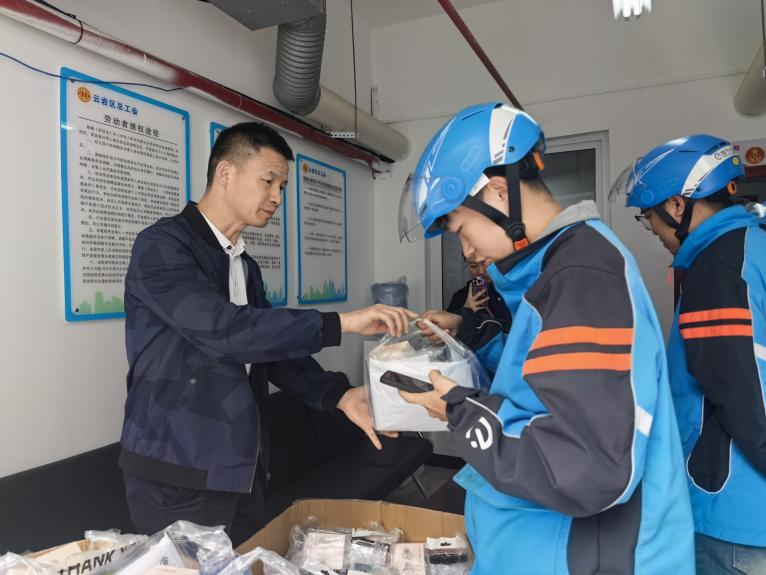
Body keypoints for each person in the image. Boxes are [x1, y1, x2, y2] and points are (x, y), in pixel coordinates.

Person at [397, 102, 694, 574]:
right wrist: (470, 331)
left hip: (579, 556)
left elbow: (585, 467)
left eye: (460, 228)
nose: (466, 248)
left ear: (498, 193)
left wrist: (458, 409)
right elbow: (542, 383)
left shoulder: (581, 275)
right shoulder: (556, 269)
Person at [119, 122, 415, 545]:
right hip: (178, 472)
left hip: (240, 468)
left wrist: (339, 394)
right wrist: (342, 322)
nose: (277, 197)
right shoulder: (162, 246)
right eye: (269, 181)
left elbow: (271, 352)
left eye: (283, 187)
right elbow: (225, 330)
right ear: (226, 173)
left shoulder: (244, 266)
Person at [614, 134, 766, 574]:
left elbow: (740, 390)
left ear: (677, 206)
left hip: (732, 510)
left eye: (651, 220)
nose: (657, 233)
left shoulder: (717, 268)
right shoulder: (753, 247)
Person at [446, 256, 511, 322]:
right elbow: (449, 326)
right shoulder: (460, 297)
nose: (481, 271)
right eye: (473, 266)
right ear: (467, 266)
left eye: (486, 265)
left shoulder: (512, 290)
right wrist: (466, 310)